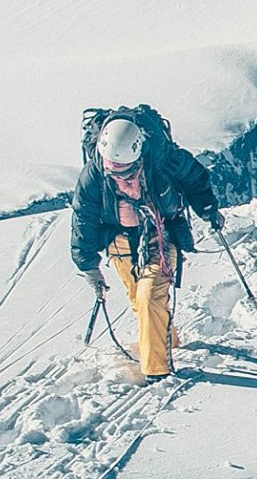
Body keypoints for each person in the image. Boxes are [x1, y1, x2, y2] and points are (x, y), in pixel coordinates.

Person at [70, 111, 222, 379]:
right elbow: (84, 218)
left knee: (149, 295)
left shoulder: (163, 159)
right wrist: (88, 266)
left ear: (139, 154)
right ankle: (168, 341)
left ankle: (156, 371)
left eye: (126, 171)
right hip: (119, 239)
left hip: (160, 232)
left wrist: (208, 209)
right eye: (112, 170)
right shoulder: (93, 174)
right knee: (141, 301)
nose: (119, 177)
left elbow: (195, 178)